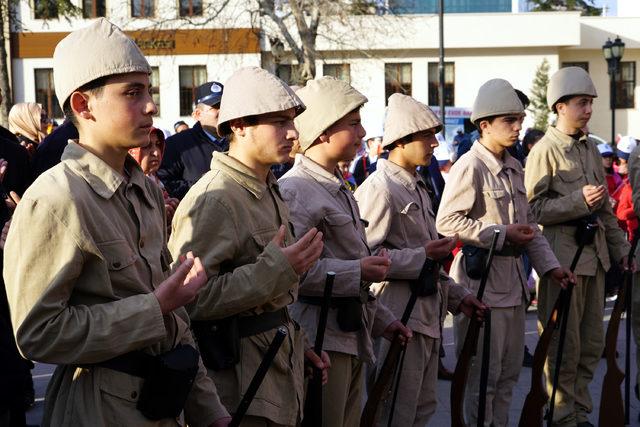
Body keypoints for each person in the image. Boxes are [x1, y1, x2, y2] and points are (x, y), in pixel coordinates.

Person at [3, 19, 231, 426]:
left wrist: (209, 411)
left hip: (163, 399)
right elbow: (37, 332)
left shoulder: (142, 188)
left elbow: (174, 321)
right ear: (82, 105)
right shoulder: (56, 197)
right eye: (132, 93)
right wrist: (153, 307)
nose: (151, 106)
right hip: (99, 409)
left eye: (149, 90)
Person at [168, 66, 327, 427]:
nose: (293, 132)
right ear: (239, 125)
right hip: (239, 387)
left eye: (292, 120)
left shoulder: (268, 189)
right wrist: (275, 270)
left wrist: (299, 346)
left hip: (277, 366)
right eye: (278, 121)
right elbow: (187, 301)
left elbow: (273, 302)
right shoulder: (216, 198)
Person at [437, 78, 572, 427]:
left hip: (512, 286)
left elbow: (529, 229)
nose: (517, 127)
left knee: (509, 375)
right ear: (485, 125)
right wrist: (500, 233)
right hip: (480, 284)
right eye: (509, 120)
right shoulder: (470, 166)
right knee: (484, 378)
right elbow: (447, 222)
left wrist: (552, 268)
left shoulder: (514, 165)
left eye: (520, 119)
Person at [278, 76, 411, 427]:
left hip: (349, 333)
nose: (363, 132)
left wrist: (384, 321)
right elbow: (294, 274)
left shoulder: (336, 185)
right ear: (323, 131)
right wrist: (361, 271)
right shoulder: (297, 190)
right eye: (353, 124)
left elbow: (349, 272)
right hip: (320, 338)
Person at [354, 93, 486, 426]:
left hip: (426, 315)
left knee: (421, 409)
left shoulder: (417, 186)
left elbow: (428, 255)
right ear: (401, 141)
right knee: (394, 411)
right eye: (426, 135)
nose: (434, 144)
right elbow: (364, 258)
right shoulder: (379, 188)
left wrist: (459, 297)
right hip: (397, 314)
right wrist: (422, 255)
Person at [525, 66, 630, 427]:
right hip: (562, 259)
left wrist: (624, 254)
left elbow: (605, 210)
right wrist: (576, 201)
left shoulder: (590, 149)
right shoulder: (544, 151)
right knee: (562, 347)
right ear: (559, 106)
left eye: (590, 103)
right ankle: (559, 414)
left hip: (595, 257)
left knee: (590, 345)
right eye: (581, 103)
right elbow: (532, 210)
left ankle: (579, 412)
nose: (588, 110)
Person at [158, 81, 228, 199]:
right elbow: (165, 183)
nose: (222, 111)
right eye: (216, 106)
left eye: (225, 106)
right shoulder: (177, 145)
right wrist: (205, 185)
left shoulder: (241, 141)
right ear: (197, 114)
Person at [128, 127, 180, 227]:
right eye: (147, 146)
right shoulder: (126, 185)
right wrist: (156, 213)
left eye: (158, 145)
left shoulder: (157, 181)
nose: (156, 153)